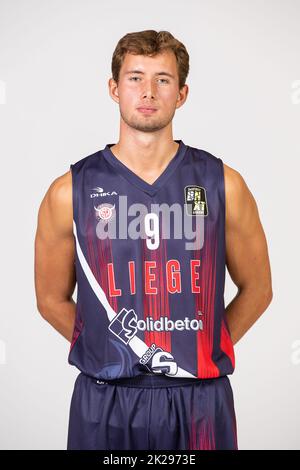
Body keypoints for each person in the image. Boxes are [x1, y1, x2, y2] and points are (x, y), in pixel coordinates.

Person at [34, 30, 273, 450]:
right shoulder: (69, 191)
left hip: (199, 401)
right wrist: (108, 348)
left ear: (181, 94)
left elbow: (259, 289)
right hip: (105, 400)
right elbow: (50, 299)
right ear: (113, 88)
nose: (148, 92)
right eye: (135, 78)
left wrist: (200, 345)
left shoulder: (224, 184)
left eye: (163, 79)